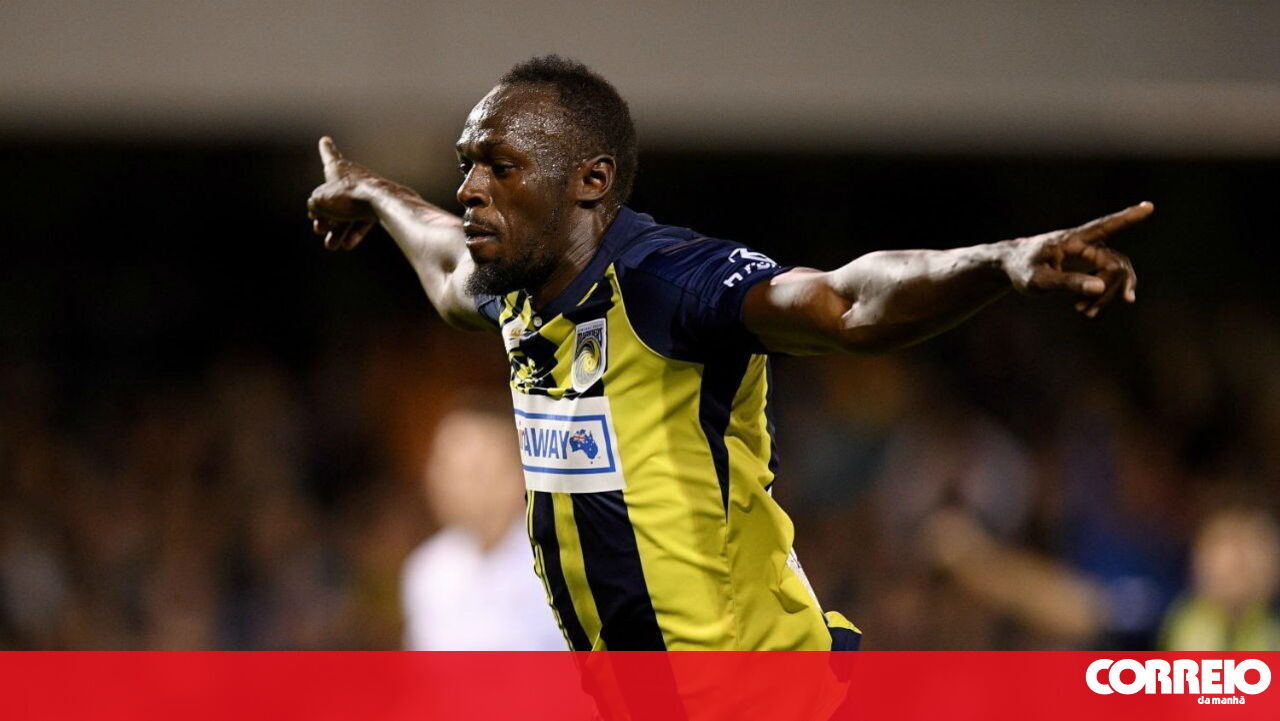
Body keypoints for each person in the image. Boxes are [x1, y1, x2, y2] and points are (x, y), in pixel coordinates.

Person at [307, 55, 1151, 651]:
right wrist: (373, 193)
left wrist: (1000, 262)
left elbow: (845, 300)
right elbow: (444, 263)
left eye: (501, 165)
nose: (470, 188)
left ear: (590, 181)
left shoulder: (667, 282)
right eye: (467, 166)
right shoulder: (514, 287)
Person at [401, 403, 565, 651]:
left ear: (518, 475)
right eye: (443, 466)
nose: (448, 483)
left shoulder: (562, 566)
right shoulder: (427, 570)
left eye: (472, 471)